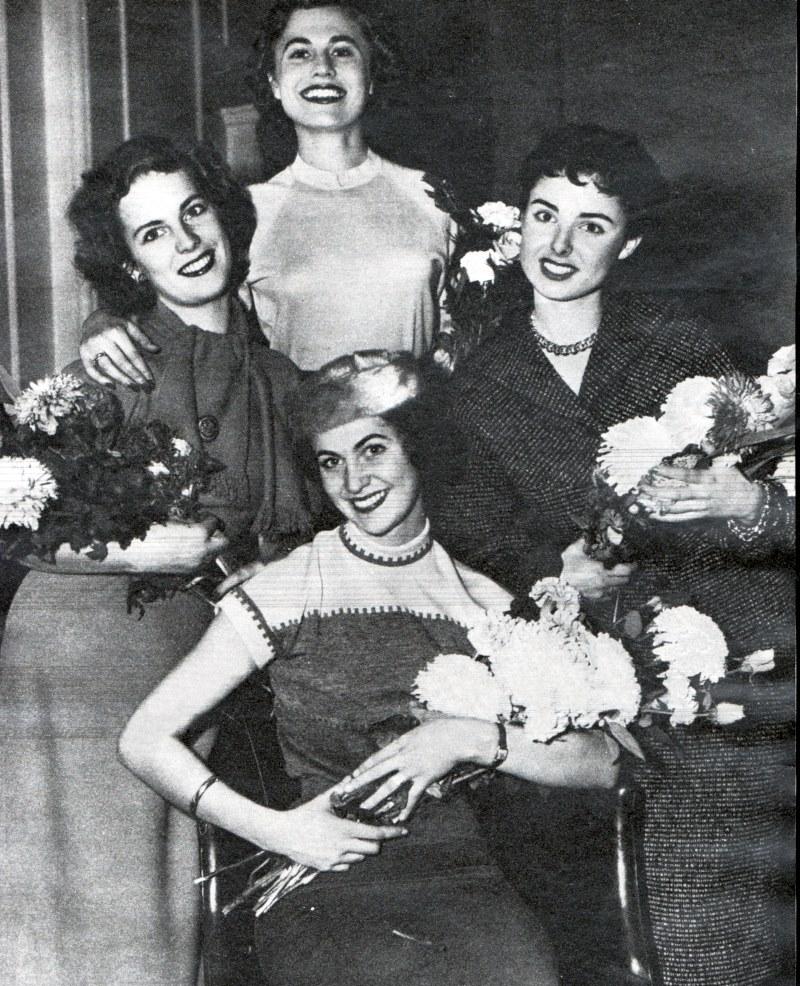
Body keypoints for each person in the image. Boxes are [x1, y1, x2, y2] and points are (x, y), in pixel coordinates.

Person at [118, 350, 621, 986]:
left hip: (469, 879)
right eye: (331, 461)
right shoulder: (290, 586)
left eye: (373, 449)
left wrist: (468, 738)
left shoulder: (486, 600)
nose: (353, 481)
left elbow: (605, 762)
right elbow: (143, 739)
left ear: (422, 449)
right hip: (332, 881)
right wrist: (277, 831)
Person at [427, 123, 794, 985]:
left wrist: (741, 506)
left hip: (737, 639)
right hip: (588, 659)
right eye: (543, 215)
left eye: (591, 224)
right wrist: (554, 568)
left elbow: (770, 500)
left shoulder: (682, 345)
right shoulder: (477, 386)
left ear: (627, 243)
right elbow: (475, 533)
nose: (558, 244)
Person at [0, 135, 312, 986]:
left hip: (185, 663)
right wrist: (145, 547)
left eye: (194, 211)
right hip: (73, 658)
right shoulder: (114, 362)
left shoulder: (281, 380)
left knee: (156, 915)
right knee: (82, 917)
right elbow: (15, 514)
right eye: (152, 233)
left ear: (224, 215)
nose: (186, 242)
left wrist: (268, 569)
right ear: (130, 263)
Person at [78, 1, 453, 383]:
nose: (322, 67)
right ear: (274, 82)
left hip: (416, 418)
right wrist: (102, 322)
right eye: (300, 53)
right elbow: (178, 301)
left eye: (342, 50)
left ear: (371, 76)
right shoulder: (247, 210)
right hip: (293, 420)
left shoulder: (434, 198)